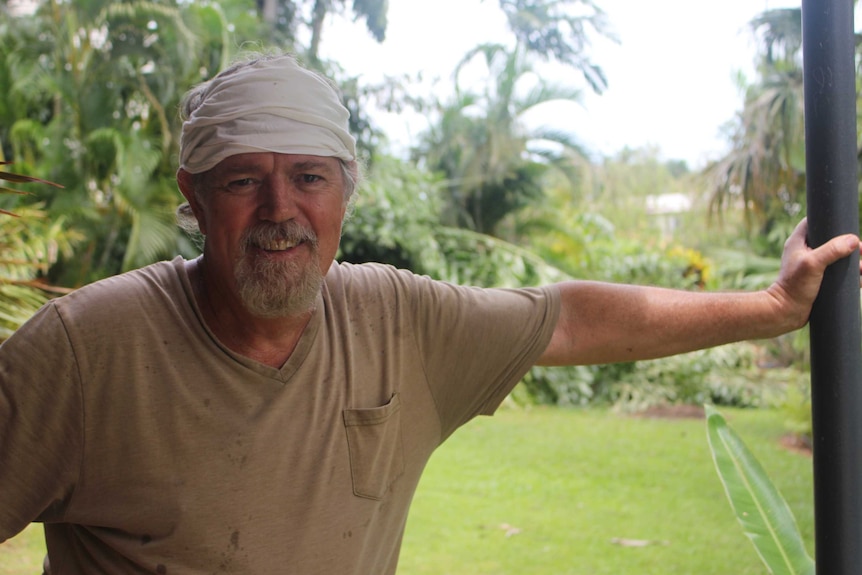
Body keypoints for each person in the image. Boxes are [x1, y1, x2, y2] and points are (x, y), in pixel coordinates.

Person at [0, 52, 858, 575]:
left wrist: (773, 306)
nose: (279, 210)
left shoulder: (396, 322)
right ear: (193, 194)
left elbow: (567, 318)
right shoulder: (89, 350)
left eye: (309, 177)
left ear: (344, 190)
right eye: (241, 179)